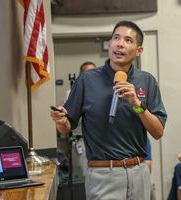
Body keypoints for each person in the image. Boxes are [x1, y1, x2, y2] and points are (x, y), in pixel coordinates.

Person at [50, 20, 167, 200]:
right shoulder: (87, 80)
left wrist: (137, 104)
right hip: (102, 174)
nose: (120, 43)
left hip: (138, 172)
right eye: (116, 38)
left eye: (128, 40)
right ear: (110, 44)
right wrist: (61, 120)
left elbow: (158, 131)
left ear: (139, 51)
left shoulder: (147, 81)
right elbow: (67, 126)